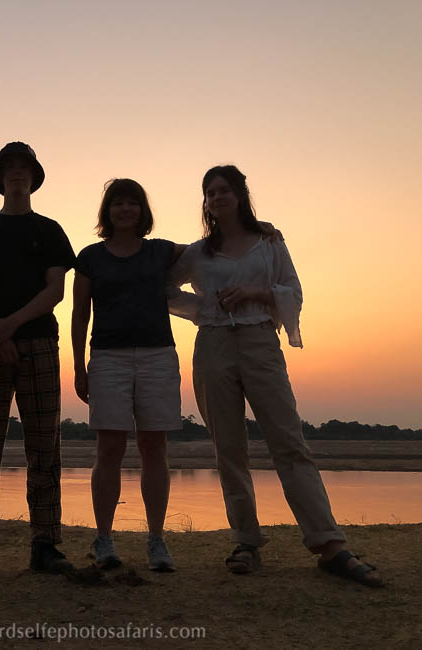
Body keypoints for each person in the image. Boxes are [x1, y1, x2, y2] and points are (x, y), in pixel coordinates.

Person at [170, 164, 383, 587]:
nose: (216, 197)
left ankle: (329, 545)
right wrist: (203, 310)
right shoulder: (197, 253)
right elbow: (162, 286)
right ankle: (245, 542)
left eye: (224, 190)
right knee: (229, 449)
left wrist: (255, 293)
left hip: (260, 343)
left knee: (289, 442)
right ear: (205, 201)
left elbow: (293, 291)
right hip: (212, 347)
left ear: (240, 194)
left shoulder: (269, 242)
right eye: (210, 192)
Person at [0, 142, 77, 579]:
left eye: (25, 168)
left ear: (33, 177)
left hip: (39, 344)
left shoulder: (51, 229)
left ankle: (45, 544)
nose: (17, 174)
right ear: (0, 177)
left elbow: (56, 290)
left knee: (44, 446)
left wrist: (11, 326)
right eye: (10, 168)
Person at [72, 179, 184, 572]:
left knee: (155, 449)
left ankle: (157, 540)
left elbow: (209, 254)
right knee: (109, 450)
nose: (124, 209)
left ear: (142, 210)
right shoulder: (89, 257)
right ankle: (104, 538)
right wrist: (78, 365)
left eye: (131, 203)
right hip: (107, 358)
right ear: (107, 210)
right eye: (117, 203)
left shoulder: (161, 252)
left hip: (157, 356)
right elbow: (80, 314)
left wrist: (261, 233)